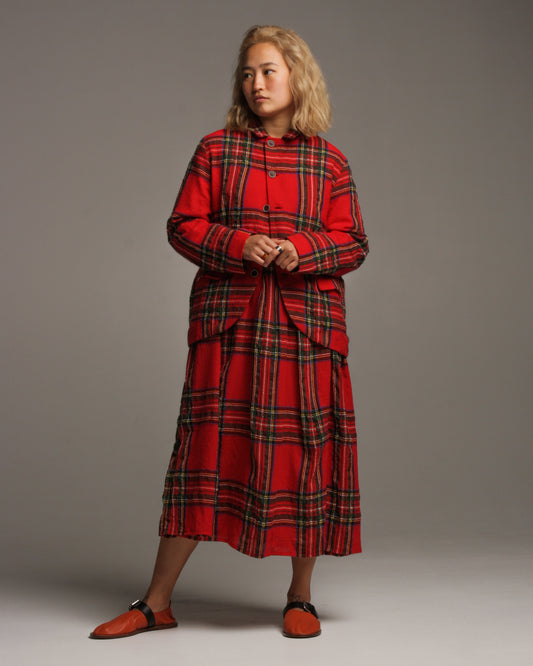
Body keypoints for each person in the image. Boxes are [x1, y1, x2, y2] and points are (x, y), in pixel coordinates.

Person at [90, 24, 369, 641]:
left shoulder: (330, 161)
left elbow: (353, 242)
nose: (255, 84)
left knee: (306, 454)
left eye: (268, 71)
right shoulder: (216, 150)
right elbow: (182, 225)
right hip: (231, 326)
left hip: (305, 328)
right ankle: (156, 603)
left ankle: (300, 597)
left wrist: (302, 249)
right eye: (247, 73)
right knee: (202, 456)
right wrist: (239, 243)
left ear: (297, 77)